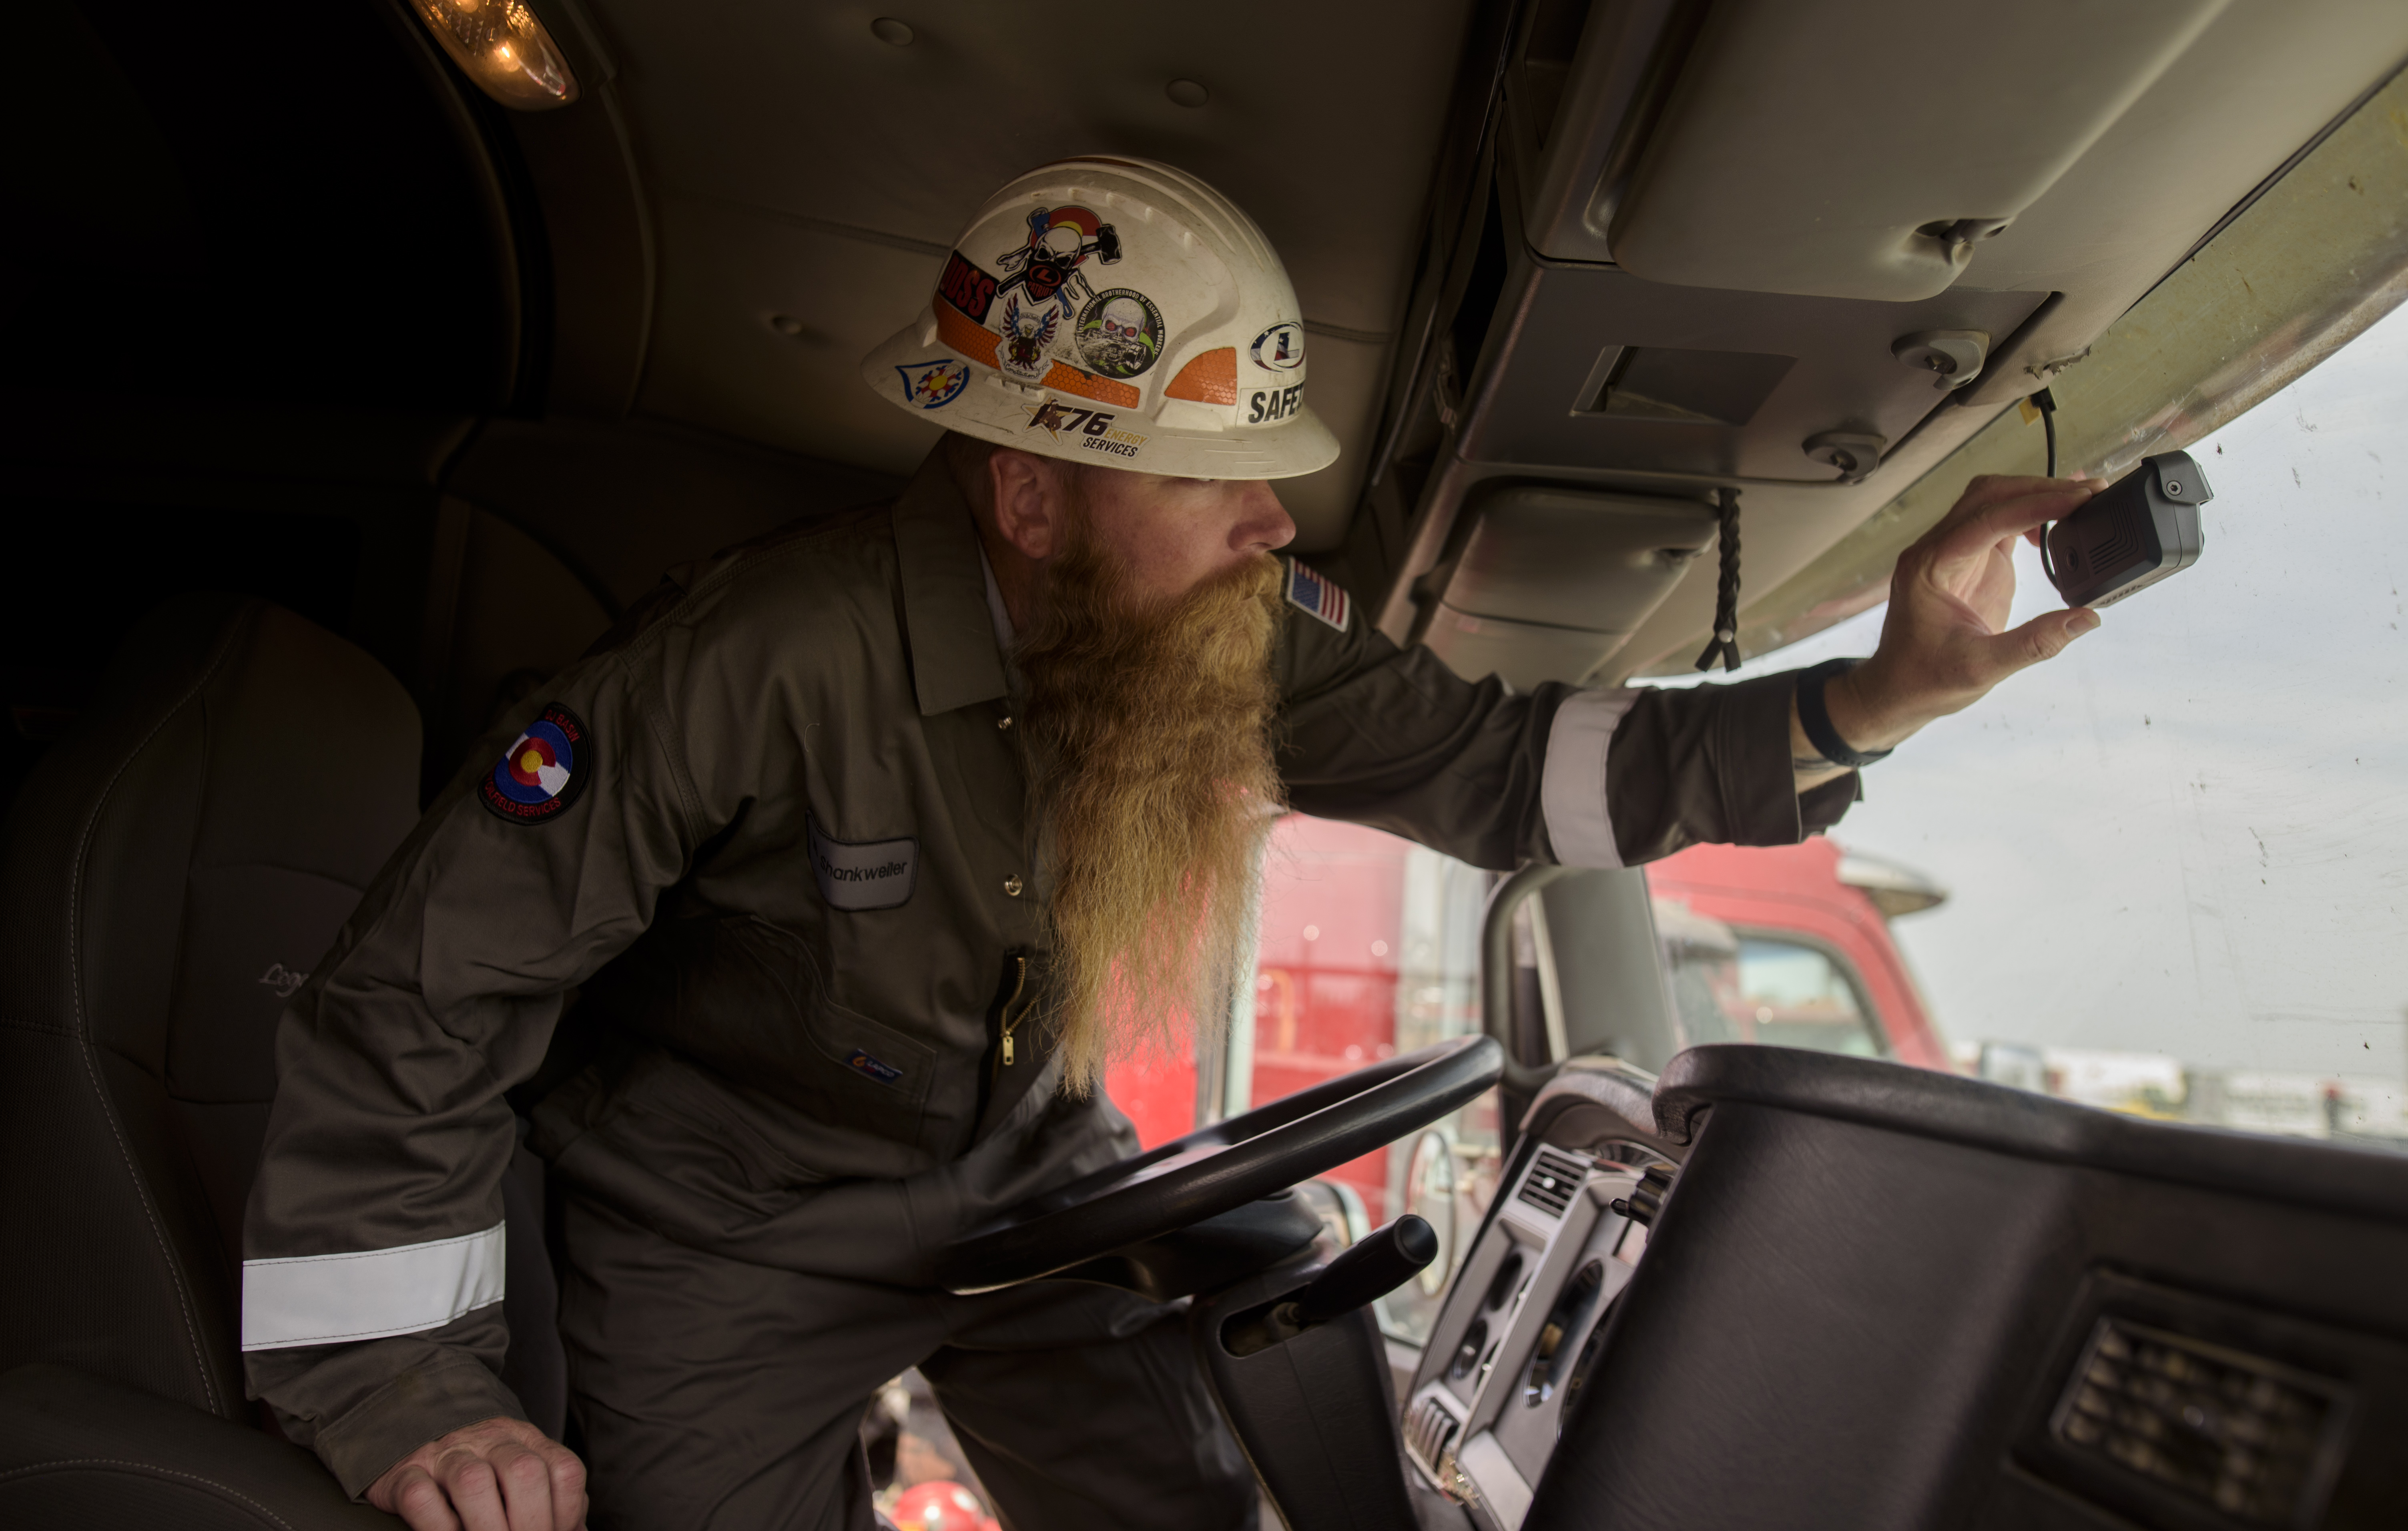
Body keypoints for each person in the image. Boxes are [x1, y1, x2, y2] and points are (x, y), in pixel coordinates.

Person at [239, 157, 2103, 1531]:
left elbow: (1506, 769)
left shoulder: (1214, 630)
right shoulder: (751, 658)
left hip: (1028, 1175)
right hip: (724, 1226)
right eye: (1218, 474)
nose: (1275, 522)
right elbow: (413, 997)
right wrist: (407, 1390)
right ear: (1034, 496)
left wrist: (1876, 696)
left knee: (1202, 1501)